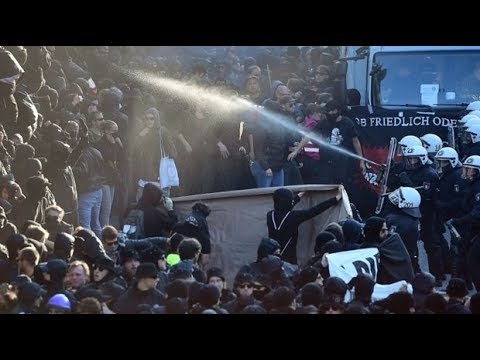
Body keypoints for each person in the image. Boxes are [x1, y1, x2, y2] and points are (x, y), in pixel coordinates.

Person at [266, 185, 343, 264]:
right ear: (287, 201)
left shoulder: (269, 215)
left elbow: (284, 209)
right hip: (289, 259)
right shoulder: (294, 217)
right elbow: (315, 210)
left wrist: (299, 196)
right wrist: (336, 198)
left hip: (271, 257)